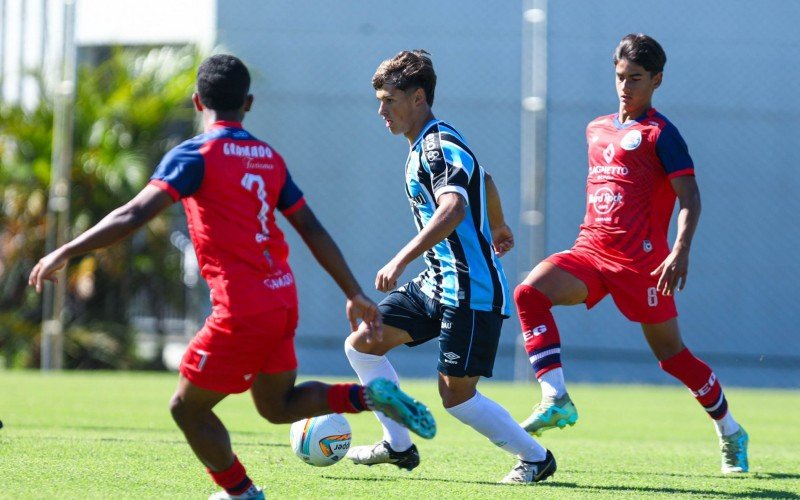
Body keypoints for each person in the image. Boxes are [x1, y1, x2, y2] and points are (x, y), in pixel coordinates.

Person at [29, 54, 436, 499]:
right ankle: (371, 396)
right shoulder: (268, 158)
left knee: (186, 408)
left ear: (197, 101)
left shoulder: (195, 155)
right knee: (277, 406)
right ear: (249, 103)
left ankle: (240, 492)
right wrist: (353, 292)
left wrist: (67, 249)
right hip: (282, 300)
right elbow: (312, 229)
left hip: (240, 308)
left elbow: (134, 213)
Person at [514, 34, 749, 474]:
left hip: (643, 266)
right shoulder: (596, 128)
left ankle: (731, 432)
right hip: (590, 252)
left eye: (636, 79)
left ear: (657, 80)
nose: (626, 87)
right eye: (620, 77)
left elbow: (690, 198)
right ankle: (555, 397)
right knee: (529, 293)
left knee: (672, 356)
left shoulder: (662, 134)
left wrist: (679, 249)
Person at [343, 49, 555, 485]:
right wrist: (497, 224)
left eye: (389, 99)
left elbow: (454, 207)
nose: (380, 110)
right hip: (437, 283)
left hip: (472, 288)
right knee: (362, 343)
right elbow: (485, 177)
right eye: (380, 100)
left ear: (418, 98)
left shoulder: (438, 146)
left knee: (456, 397)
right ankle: (398, 445)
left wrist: (400, 257)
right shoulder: (427, 144)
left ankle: (536, 458)